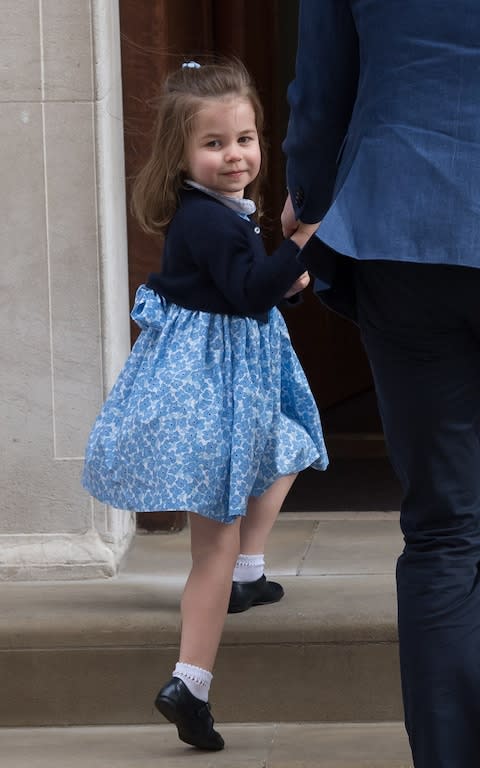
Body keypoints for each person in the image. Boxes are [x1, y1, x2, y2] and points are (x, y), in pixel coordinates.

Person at [82, 58, 327, 751]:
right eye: (214, 144)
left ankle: (249, 574)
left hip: (228, 391)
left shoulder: (219, 215)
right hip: (213, 401)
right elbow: (249, 289)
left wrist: (286, 276)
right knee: (210, 551)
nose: (235, 156)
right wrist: (298, 235)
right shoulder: (211, 223)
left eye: (245, 139)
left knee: (292, 444)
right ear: (181, 155)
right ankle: (190, 682)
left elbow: (246, 288)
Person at [281, 2, 480, 767]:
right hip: (402, 225)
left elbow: (320, 91)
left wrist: (313, 197)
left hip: (403, 225)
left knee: (443, 530)